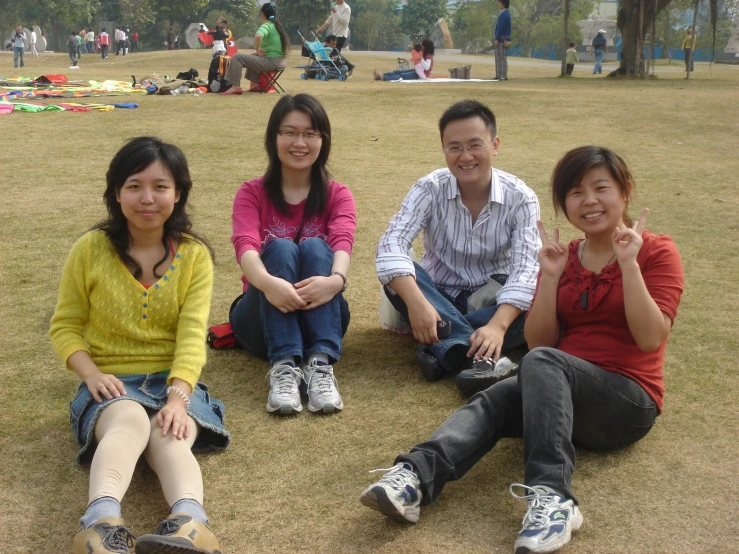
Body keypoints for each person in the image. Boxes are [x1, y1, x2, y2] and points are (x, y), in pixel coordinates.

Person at [361, 145, 684, 554]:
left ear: (625, 192)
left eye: (600, 188)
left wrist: (629, 265)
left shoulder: (657, 252)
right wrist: (548, 279)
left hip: (626, 403)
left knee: (539, 365)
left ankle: (553, 498)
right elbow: (542, 343)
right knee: (498, 396)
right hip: (560, 398)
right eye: (574, 192)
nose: (588, 201)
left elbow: (651, 338)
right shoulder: (563, 258)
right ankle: (413, 477)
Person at [50, 137, 230, 554]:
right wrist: (91, 374)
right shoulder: (90, 249)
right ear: (116, 193)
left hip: (172, 382)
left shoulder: (195, 255)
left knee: (168, 432)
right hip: (111, 382)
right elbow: (65, 326)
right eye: (134, 185)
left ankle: (191, 524)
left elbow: (191, 335)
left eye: (160, 186)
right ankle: (99, 524)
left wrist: (177, 398)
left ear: (178, 192)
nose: (147, 198)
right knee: (129, 419)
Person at [375, 100, 538, 396]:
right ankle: (481, 359)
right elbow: (391, 243)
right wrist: (418, 303)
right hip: (437, 295)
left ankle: (442, 348)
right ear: (443, 149)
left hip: (492, 298)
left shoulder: (521, 198)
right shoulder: (430, 188)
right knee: (399, 279)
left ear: (495, 144)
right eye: (454, 147)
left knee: (543, 297)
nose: (465, 157)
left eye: (475, 145)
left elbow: (526, 268)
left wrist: (499, 326)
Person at [230, 94, 356, 415]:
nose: (299, 142)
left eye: (310, 133)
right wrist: (268, 284)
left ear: (322, 141)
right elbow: (244, 245)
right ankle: (284, 366)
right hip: (262, 317)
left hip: (321, 317)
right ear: (274, 138)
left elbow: (343, 241)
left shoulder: (337, 194)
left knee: (316, 246)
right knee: (282, 247)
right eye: (289, 132)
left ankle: (319, 365)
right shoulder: (252, 192)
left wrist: (336, 281)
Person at [220, 3, 289, 95]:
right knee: (248, 58)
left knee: (237, 57)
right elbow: (266, 51)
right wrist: (254, 53)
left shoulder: (267, 25)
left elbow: (258, 36)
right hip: (281, 62)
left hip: (271, 62)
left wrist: (257, 49)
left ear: (262, 14)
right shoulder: (277, 26)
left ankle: (235, 87)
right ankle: (255, 85)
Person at [494, 0, 511, 80]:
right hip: (505, 39)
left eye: (499, 2)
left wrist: (497, 38)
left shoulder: (503, 14)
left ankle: (500, 75)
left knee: (500, 57)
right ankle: (503, 75)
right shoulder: (507, 13)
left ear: (502, 3)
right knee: (502, 57)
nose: (498, 4)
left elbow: (500, 28)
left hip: (501, 39)